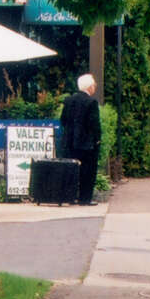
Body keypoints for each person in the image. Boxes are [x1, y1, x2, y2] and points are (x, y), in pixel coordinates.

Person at [60, 73, 101, 206]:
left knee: (70, 169)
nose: (95, 87)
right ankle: (84, 198)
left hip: (70, 142)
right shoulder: (92, 102)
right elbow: (94, 124)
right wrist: (97, 139)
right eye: (94, 85)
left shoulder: (68, 100)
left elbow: (63, 120)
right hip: (87, 143)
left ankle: (69, 196)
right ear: (89, 87)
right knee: (88, 172)